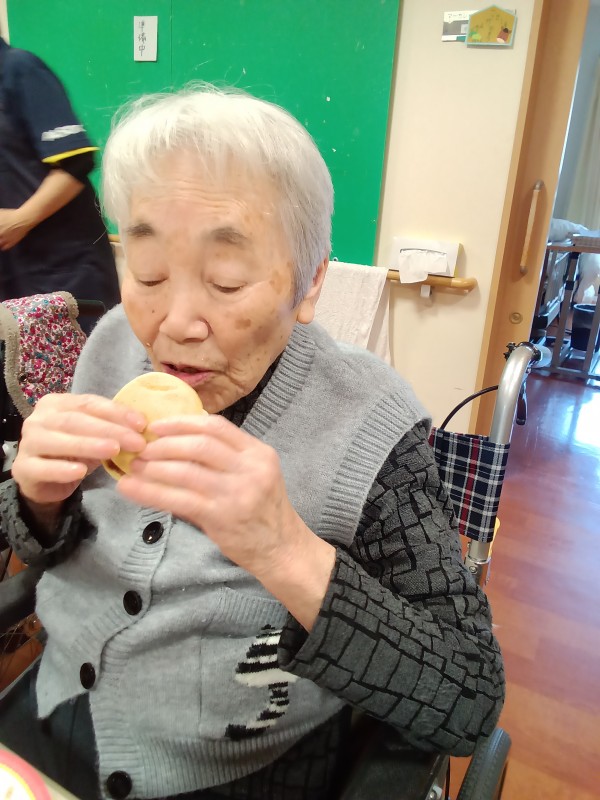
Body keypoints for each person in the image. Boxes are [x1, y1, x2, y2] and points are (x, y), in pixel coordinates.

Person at [0, 85, 505, 800]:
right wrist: (37, 499)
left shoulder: (373, 427)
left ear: (310, 283)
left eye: (227, 282)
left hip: (240, 771)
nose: (175, 324)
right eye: (147, 273)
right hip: (52, 718)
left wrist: (286, 550)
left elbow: (470, 696)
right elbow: (48, 540)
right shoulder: (110, 344)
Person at [0, 35, 120, 326]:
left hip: (63, 268)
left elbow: (76, 164)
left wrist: (20, 220)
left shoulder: (20, 69)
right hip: (13, 270)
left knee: (83, 349)